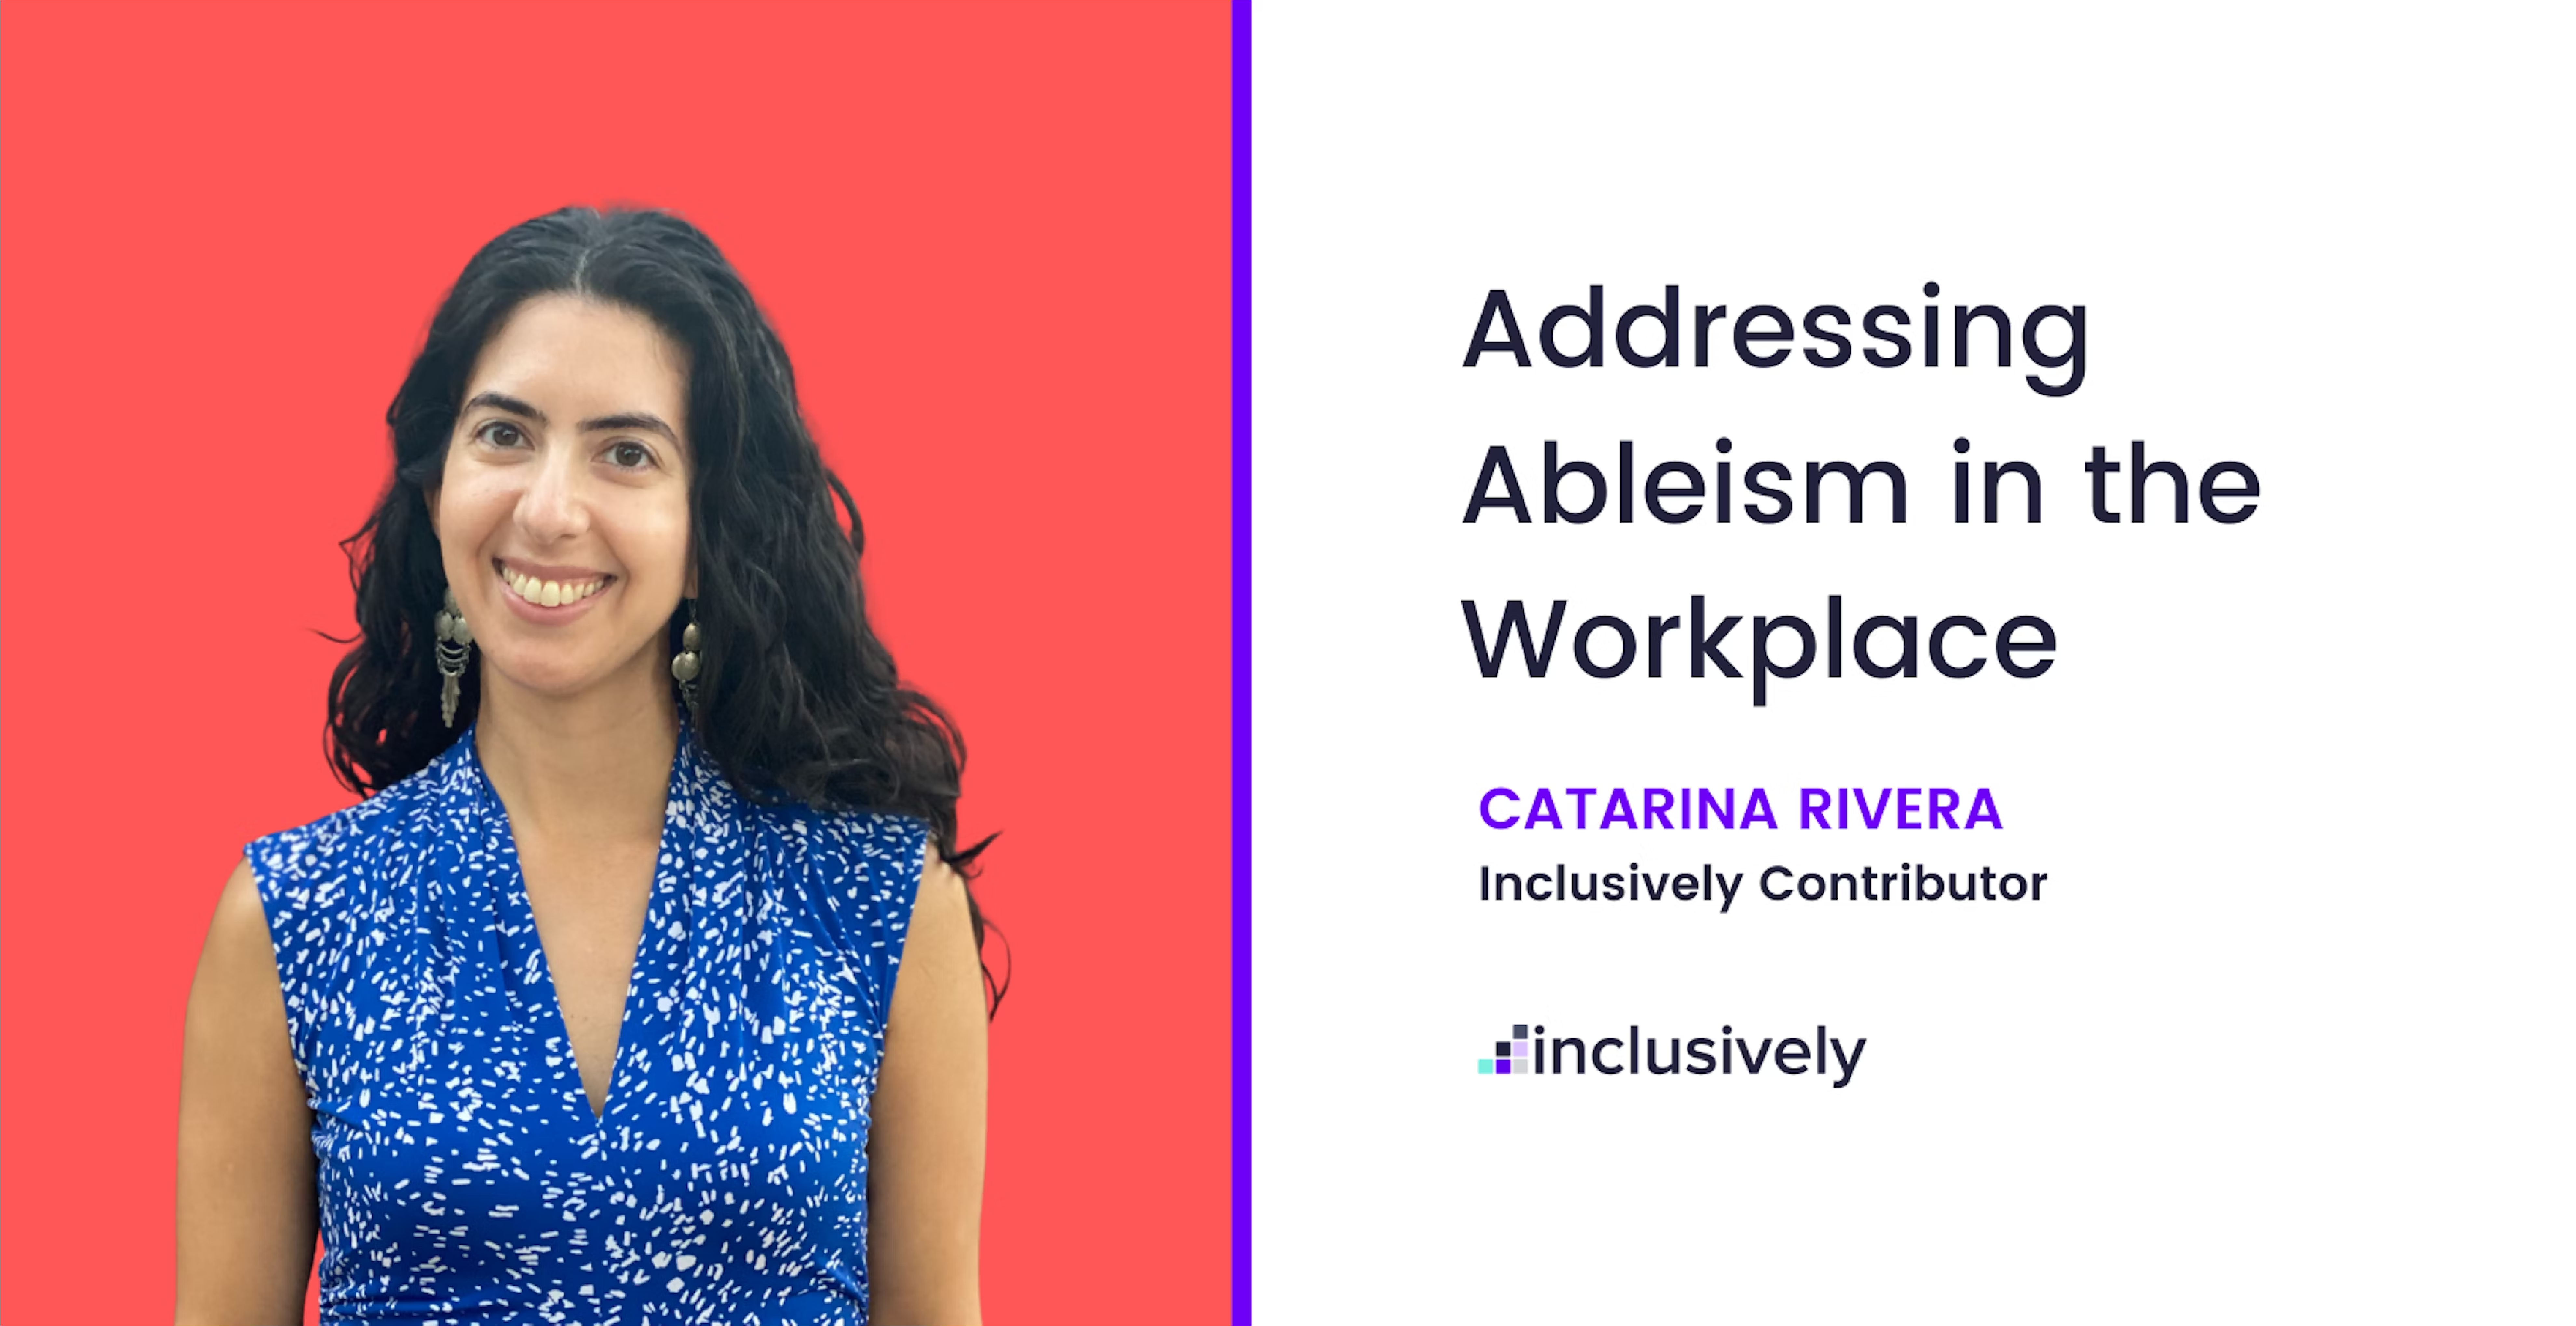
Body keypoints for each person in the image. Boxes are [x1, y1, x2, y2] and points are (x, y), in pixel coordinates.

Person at [175, 207, 991, 1324]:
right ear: (435, 489)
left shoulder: (882, 904)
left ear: (712, 529)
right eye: (504, 436)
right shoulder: (292, 917)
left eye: (626, 453)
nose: (550, 510)